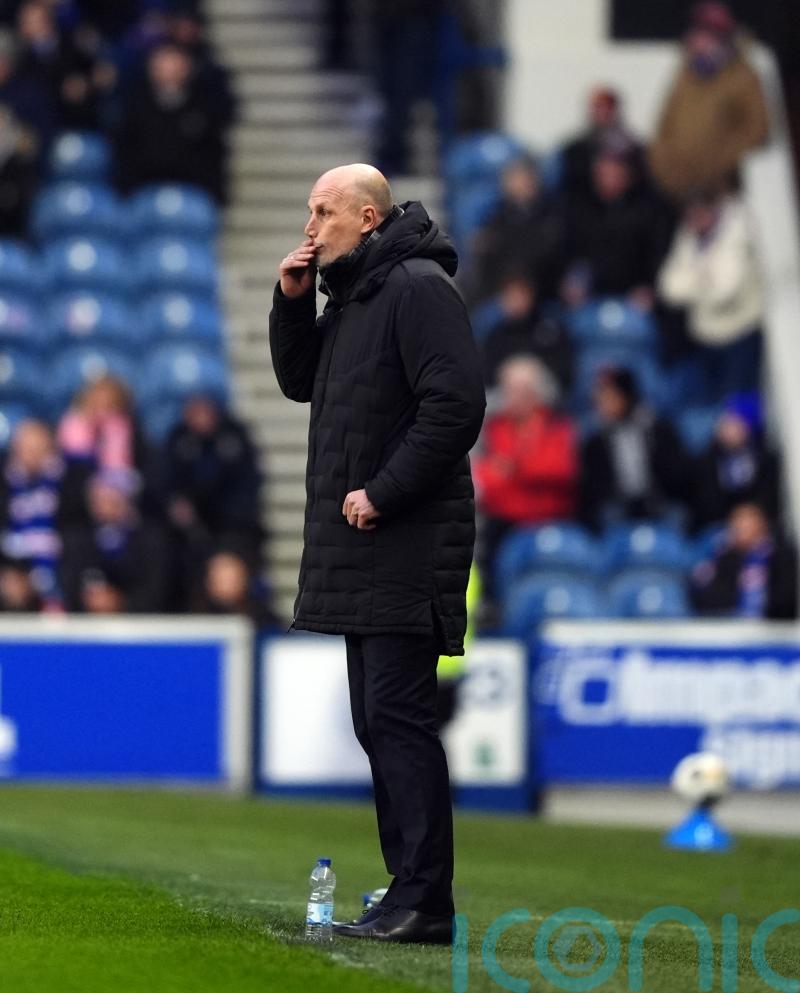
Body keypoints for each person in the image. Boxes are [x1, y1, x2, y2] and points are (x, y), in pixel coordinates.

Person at [269, 163, 485, 943]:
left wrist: (385, 490)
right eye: (307, 211)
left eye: (324, 211)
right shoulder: (358, 294)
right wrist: (292, 304)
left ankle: (426, 899)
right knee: (380, 721)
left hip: (405, 539)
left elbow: (457, 402)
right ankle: (409, 890)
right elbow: (304, 383)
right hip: (370, 548)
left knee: (397, 719)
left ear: (367, 217)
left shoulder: (416, 287)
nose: (310, 225)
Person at [472, 356, 578, 602]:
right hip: (506, 524)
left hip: (554, 520)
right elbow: (487, 479)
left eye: (517, 390)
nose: (509, 396)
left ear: (535, 392)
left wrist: (514, 468)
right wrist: (526, 474)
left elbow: (560, 470)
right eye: (507, 389)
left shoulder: (556, 425)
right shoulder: (496, 427)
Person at [648, 2, 769, 202]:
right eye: (698, 32)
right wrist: (661, 162)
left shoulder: (743, 76)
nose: (700, 39)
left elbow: (757, 130)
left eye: (708, 34)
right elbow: (665, 120)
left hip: (717, 190)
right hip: (673, 186)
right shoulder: (685, 73)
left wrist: (715, 162)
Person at [657, 190, 763, 399]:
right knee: (712, 411)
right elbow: (668, 288)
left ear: (713, 208)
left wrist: (692, 279)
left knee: (741, 410)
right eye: (690, 213)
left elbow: (725, 291)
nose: (695, 219)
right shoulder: (687, 236)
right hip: (705, 337)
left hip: (740, 336)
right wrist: (705, 279)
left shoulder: (736, 231)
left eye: (700, 212)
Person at [562, 138, 670, 308]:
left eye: (617, 169)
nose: (610, 175)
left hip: (634, 297)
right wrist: (573, 280)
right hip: (591, 297)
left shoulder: (649, 210)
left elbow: (658, 256)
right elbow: (570, 254)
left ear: (630, 174)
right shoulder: (580, 207)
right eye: (605, 168)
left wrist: (649, 287)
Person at [114, 41, 228, 203]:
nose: (168, 72)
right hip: (143, 191)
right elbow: (126, 153)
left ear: (187, 68)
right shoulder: (134, 106)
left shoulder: (205, 108)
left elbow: (213, 156)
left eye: (174, 66)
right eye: (162, 65)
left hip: (193, 192)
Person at [580, 367, 688, 532]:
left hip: (656, 503)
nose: (602, 403)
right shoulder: (595, 440)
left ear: (626, 396)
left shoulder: (658, 430)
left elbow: (677, 475)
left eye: (609, 397)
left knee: (677, 516)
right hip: (617, 507)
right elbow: (591, 489)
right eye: (599, 397)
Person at [0, 418, 89, 608]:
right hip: (10, 575)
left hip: (60, 575)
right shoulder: (4, 485)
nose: (31, 456)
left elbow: (79, 536)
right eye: (26, 449)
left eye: (38, 449)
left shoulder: (71, 482)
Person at [60, 469, 170, 613]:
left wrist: (121, 601)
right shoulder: (78, 538)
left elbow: (158, 586)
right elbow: (69, 582)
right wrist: (90, 600)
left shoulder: (152, 538)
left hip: (140, 620)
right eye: (97, 500)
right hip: (86, 621)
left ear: (127, 501)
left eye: (110, 500)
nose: (102, 506)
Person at [467, 154, 567, 305]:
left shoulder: (554, 216)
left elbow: (553, 258)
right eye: (514, 178)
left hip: (543, 295)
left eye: (525, 177)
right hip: (502, 296)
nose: (521, 183)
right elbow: (487, 264)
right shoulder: (496, 218)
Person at [691, 502, 797, 619]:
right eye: (738, 522)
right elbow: (711, 599)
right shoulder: (725, 557)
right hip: (734, 627)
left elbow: (788, 595)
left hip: (778, 627)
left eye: (748, 522)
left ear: (762, 524)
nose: (742, 528)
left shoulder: (782, 555)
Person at [691, 393, 780, 530]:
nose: (726, 426)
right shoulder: (709, 458)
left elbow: (768, 502)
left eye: (734, 422)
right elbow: (704, 504)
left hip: (754, 528)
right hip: (717, 527)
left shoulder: (765, 460)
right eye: (725, 420)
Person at [479, 276, 573, 391]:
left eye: (519, 296)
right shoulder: (496, 334)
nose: (515, 302)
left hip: (540, 392)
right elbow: (488, 374)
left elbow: (563, 372)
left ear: (530, 297)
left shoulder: (550, 329)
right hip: (506, 393)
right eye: (510, 297)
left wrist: (530, 372)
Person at [559, 86, 644, 197]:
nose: (603, 112)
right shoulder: (574, 151)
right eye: (598, 107)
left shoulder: (634, 149)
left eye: (607, 107)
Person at [192, 550, 280, 629]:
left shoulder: (263, 618)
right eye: (220, 579)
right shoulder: (195, 619)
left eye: (231, 578)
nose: (226, 585)